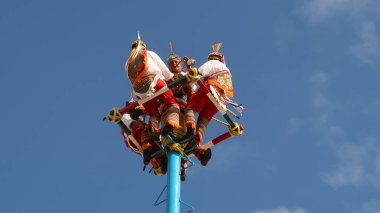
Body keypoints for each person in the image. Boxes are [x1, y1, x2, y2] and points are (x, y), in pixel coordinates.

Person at [125, 36, 181, 163]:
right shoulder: (149, 53)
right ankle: (170, 125)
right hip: (155, 82)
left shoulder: (128, 63)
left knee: (153, 114)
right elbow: (164, 70)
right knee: (172, 103)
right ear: (143, 46)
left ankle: (153, 129)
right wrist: (171, 78)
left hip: (140, 91)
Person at [184, 43, 235, 166]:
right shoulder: (227, 71)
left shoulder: (214, 63)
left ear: (212, 58)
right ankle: (198, 138)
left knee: (191, 107)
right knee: (204, 118)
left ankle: (190, 129)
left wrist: (192, 74)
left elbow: (201, 71)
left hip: (209, 89)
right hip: (220, 101)